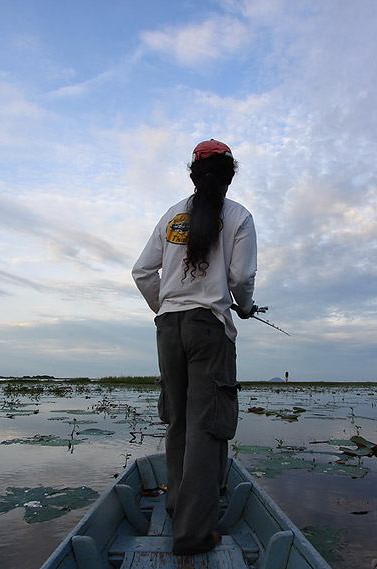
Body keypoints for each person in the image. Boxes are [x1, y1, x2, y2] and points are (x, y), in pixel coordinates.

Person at [132, 139, 257, 555]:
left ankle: (175, 508)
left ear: (192, 175)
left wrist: (165, 305)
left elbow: (142, 272)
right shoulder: (238, 216)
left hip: (168, 328)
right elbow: (238, 278)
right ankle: (193, 534)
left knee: (179, 422)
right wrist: (245, 306)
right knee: (207, 427)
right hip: (209, 329)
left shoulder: (171, 216)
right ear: (230, 176)